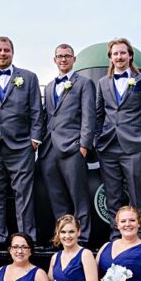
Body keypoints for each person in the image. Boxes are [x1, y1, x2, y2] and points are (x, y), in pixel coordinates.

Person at [0, 36, 45, 248]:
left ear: (12, 53)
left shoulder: (29, 78)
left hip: (21, 146)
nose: (2, 54)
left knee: (24, 194)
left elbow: (36, 110)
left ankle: (25, 239)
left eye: (6, 50)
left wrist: (34, 139)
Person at [94, 38, 141, 239]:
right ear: (110, 58)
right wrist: (97, 139)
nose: (119, 57)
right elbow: (98, 114)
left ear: (130, 56)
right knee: (113, 196)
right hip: (108, 146)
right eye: (115, 54)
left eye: (123, 53)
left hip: (134, 145)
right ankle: (115, 237)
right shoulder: (103, 83)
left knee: (137, 195)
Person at [40, 44, 96, 246]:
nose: (63, 59)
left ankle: (84, 237)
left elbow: (89, 114)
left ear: (74, 59)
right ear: (54, 60)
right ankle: (63, 238)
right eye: (59, 56)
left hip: (72, 146)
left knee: (78, 196)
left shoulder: (84, 83)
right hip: (49, 149)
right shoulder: (48, 86)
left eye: (67, 56)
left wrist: (84, 144)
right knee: (56, 197)